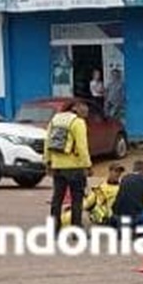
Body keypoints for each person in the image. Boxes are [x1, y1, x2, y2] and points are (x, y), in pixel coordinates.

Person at [44, 99, 92, 234]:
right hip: (74, 167)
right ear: (76, 107)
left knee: (57, 199)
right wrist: (87, 165)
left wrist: (47, 162)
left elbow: (47, 142)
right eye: (85, 109)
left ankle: (54, 228)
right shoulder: (78, 122)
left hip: (58, 166)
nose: (87, 113)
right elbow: (82, 147)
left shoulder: (55, 119)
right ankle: (76, 230)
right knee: (77, 200)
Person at [111, 160, 143, 229]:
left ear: (133, 169)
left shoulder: (125, 178)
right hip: (133, 217)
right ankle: (140, 228)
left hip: (117, 216)